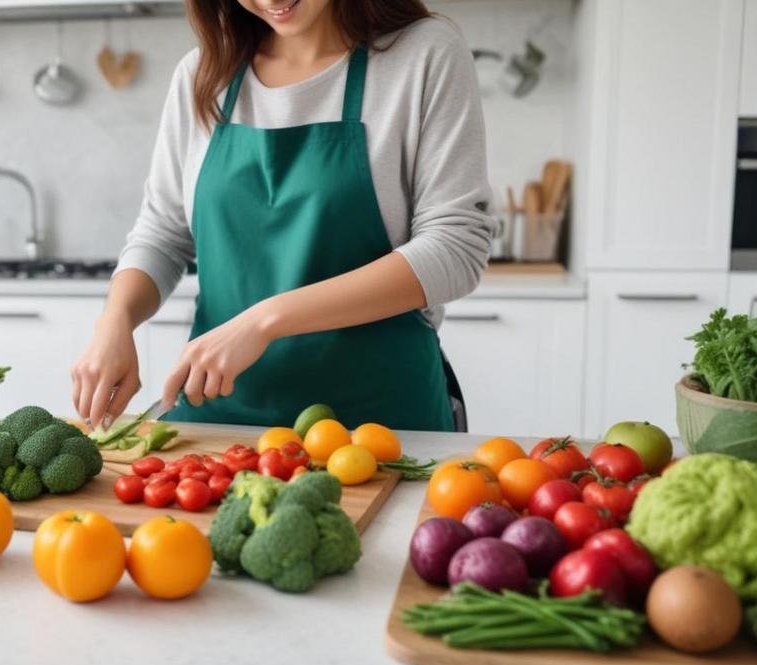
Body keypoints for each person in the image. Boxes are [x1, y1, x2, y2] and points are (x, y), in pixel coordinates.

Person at [72, 0, 494, 431]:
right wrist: (116, 320)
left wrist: (264, 321)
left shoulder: (423, 54)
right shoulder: (204, 74)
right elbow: (162, 231)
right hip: (221, 426)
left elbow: (456, 246)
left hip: (380, 429)